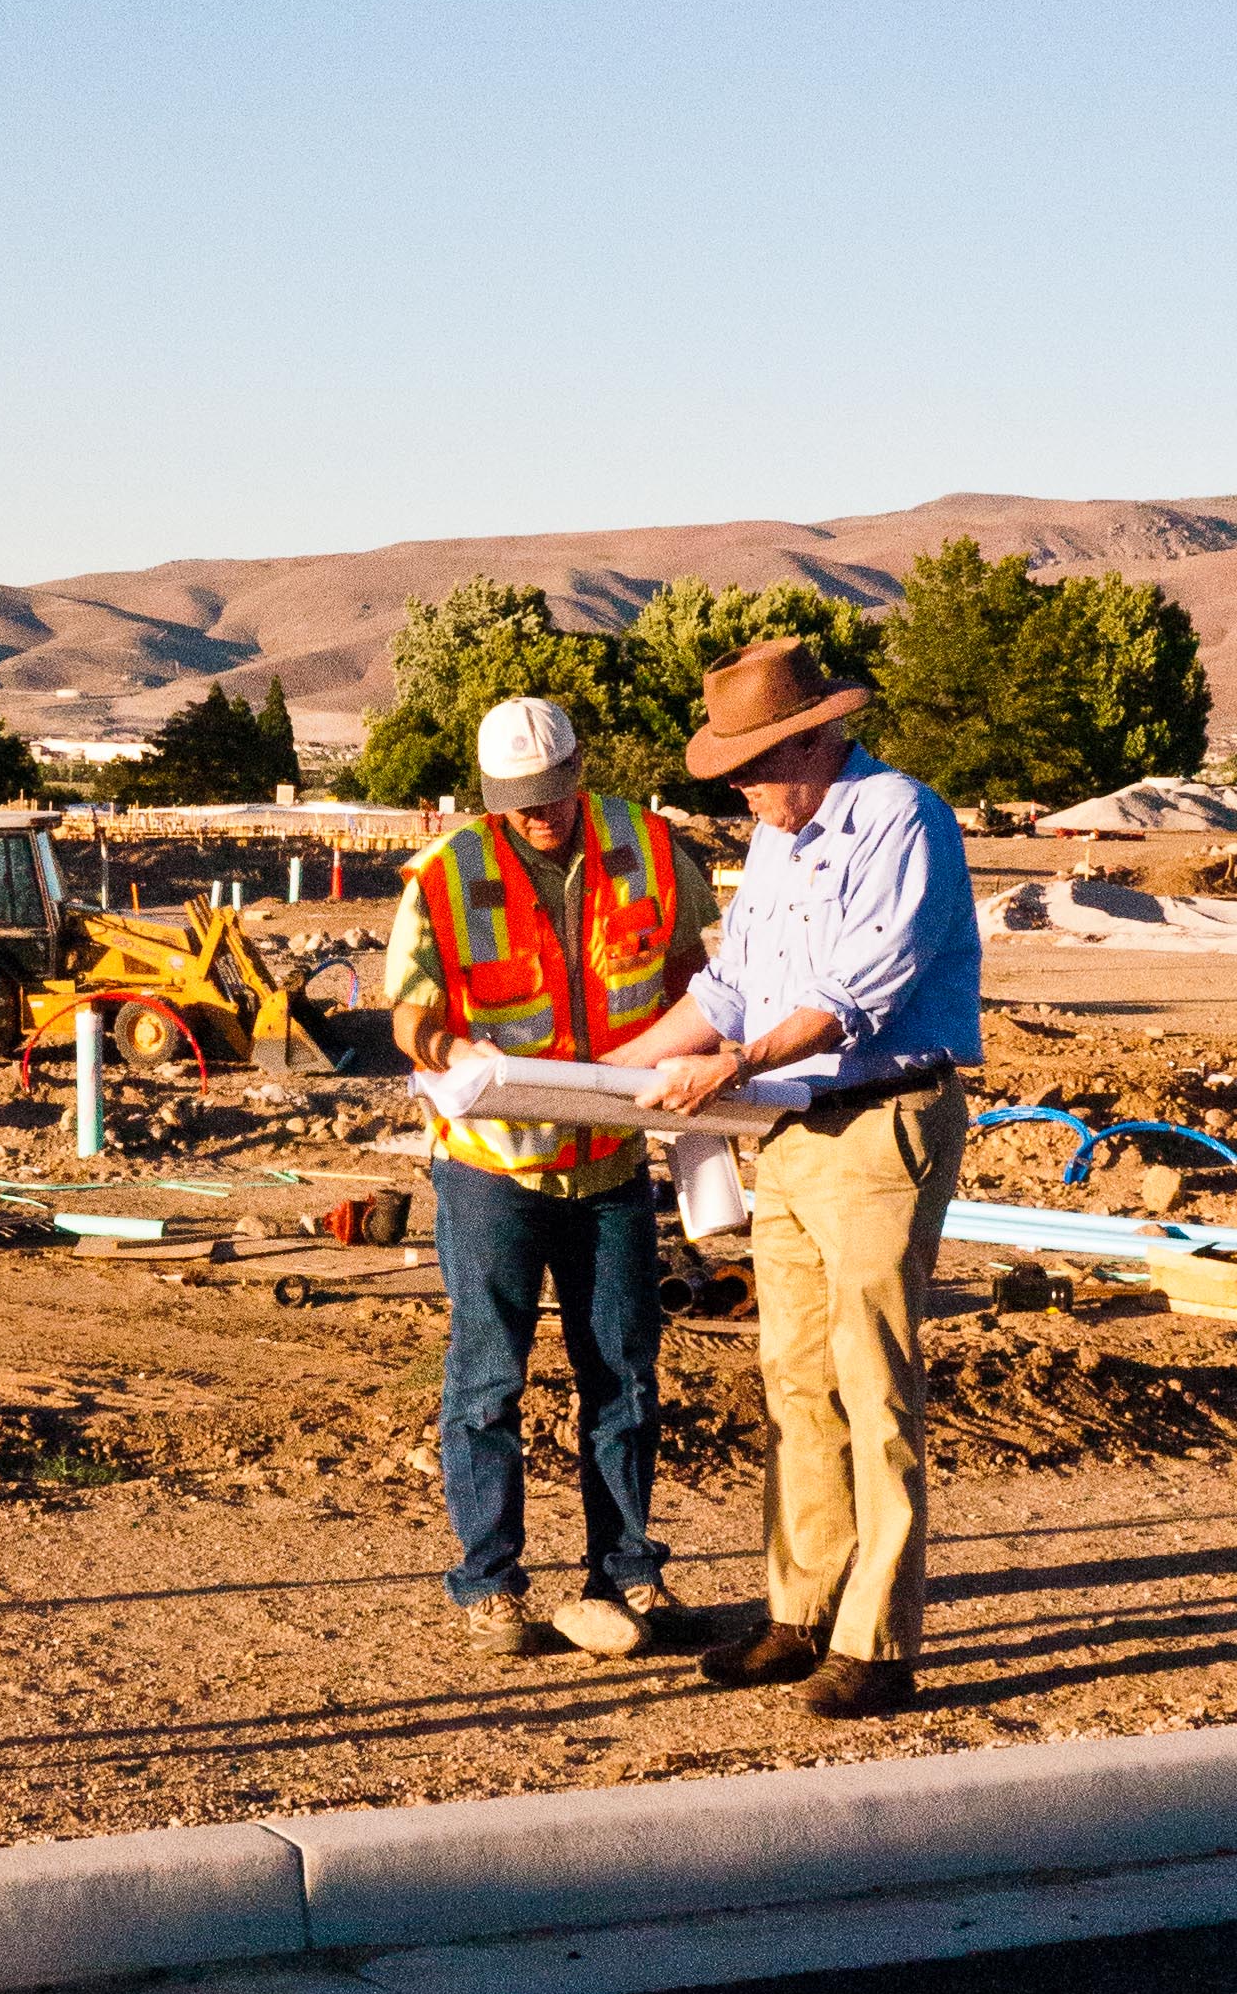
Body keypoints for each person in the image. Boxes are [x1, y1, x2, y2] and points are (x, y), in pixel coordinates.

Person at [614, 635, 978, 1719]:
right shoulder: (775, 840)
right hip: (788, 1127)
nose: (740, 790)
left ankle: (876, 1641)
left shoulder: (901, 818)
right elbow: (727, 990)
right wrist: (601, 1071)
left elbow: (849, 996)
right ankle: (799, 1608)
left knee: (874, 1384)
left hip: (877, 1126)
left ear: (815, 740)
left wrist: (732, 1066)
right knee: (795, 1380)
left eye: (752, 767)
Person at [388, 695, 718, 1660]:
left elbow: (700, 975)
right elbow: (407, 1011)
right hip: (493, 1164)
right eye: (517, 800)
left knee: (623, 1373)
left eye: (551, 793)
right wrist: (452, 1048)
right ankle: (490, 1586)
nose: (538, 814)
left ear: (579, 771)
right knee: (488, 1378)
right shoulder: (447, 874)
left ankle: (627, 1571)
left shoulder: (649, 847)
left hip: (610, 1159)